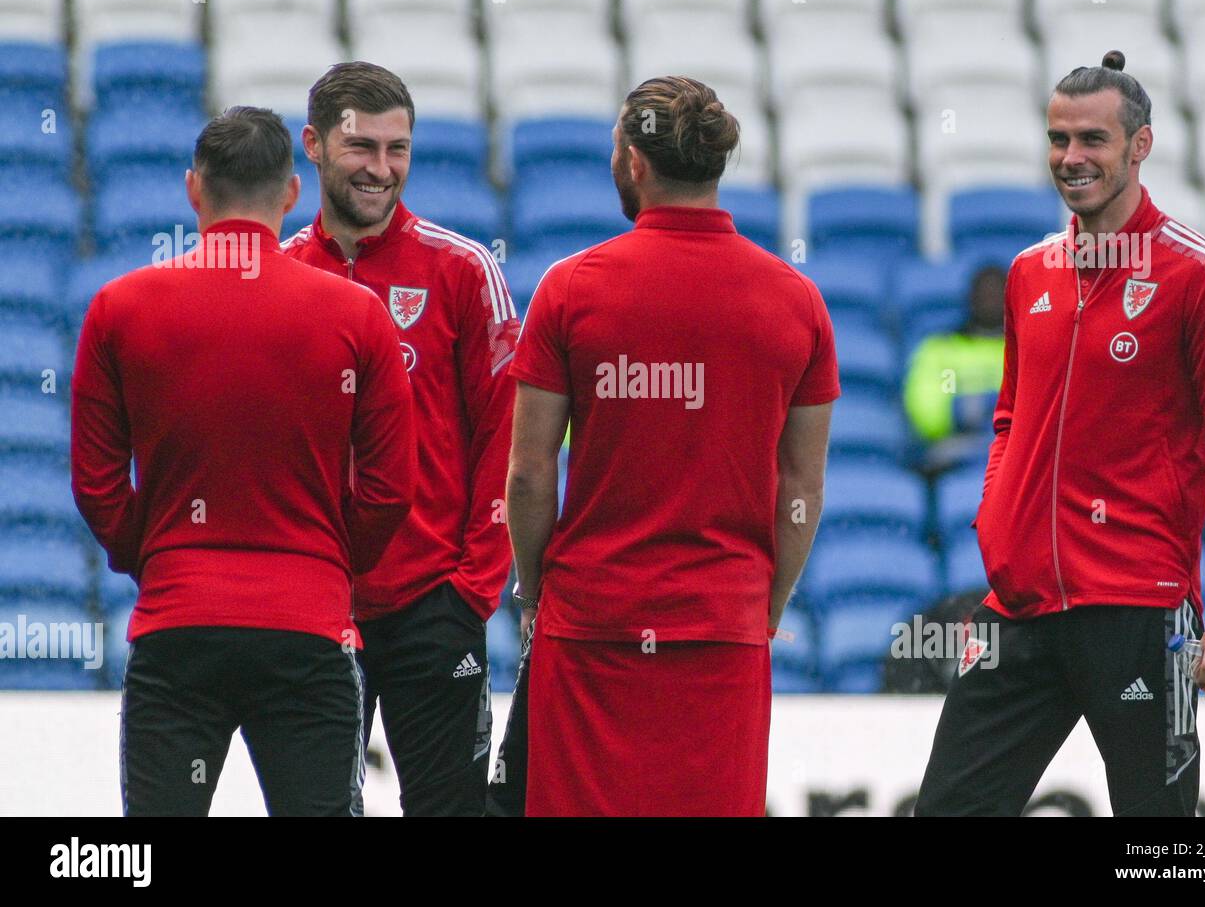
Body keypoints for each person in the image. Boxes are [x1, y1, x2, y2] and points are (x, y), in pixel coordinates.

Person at [916, 51, 1205, 817]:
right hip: (1020, 606)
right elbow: (1011, 415)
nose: (1070, 158)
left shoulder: (1201, 274)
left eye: (1092, 140)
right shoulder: (1027, 272)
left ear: (1140, 146)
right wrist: (998, 524)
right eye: (1058, 139)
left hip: (1142, 613)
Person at [507, 75, 840, 817]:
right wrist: (765, 603)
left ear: (634, 162)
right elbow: (802, 491)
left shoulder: (569, 289)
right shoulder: (796, 300)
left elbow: (530, 474)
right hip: (722, 624)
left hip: (593, 625)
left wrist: (535, 592)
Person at [71, 107, 416, 816]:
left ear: (194, 191)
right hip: (306, 628)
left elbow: (96, 482)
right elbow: (389, 492)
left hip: (178, 623)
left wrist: (158, 553)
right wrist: (325, 560)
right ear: (292, 193)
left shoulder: (120, 307)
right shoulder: (357, 316)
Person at [282, 62, 519, 816]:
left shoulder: (463, 269)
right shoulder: (280, 276)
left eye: (399, 149)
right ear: (313, 145)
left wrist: (472, 588)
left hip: (433, 604)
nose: (382, 169)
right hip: (318, 605)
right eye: (362, 148)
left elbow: (509, 439)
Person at [903, 265, 1006, 472]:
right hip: (957, 451)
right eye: (984, 294)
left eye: (997, 294)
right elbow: (926, 411)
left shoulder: (1028, 347)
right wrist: (967, 409)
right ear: (970, 298)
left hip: (1017, 449)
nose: (990, 300)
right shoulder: (940, 349)